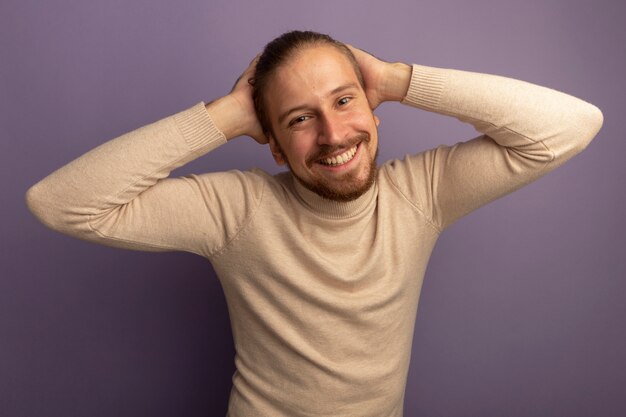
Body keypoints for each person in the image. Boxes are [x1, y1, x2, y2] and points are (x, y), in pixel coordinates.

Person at [26, 30, 603, 416]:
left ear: (373, 110)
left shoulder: (421, 194)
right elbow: (60, 203)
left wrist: (399, 79)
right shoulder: (236, 210)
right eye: (300, 119)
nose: (332, 134)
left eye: (345, 101)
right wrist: (226, 116)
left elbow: (571, 125)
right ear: (273, 146)